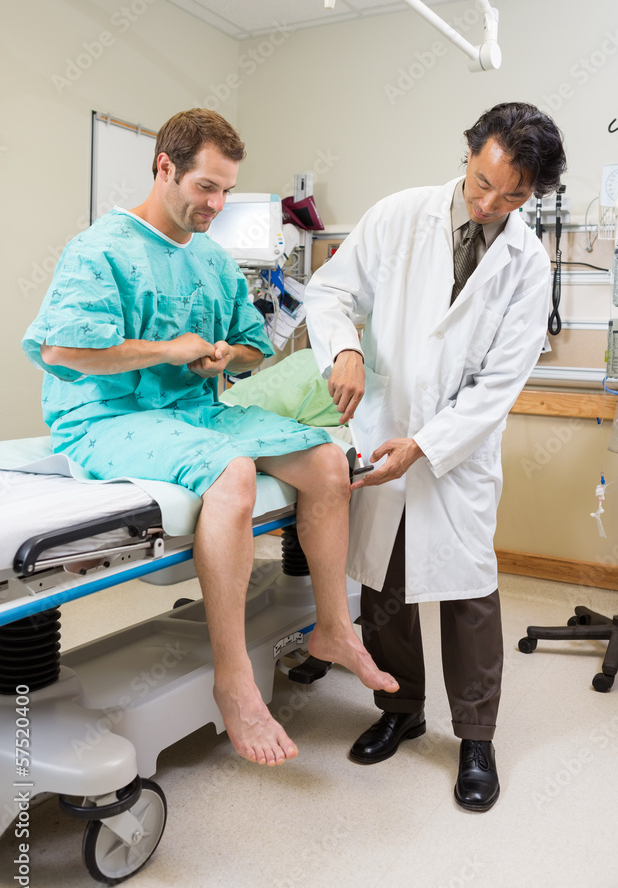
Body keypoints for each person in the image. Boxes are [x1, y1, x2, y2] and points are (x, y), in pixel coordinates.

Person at [22, 109, 398, 769]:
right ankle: (234, 681)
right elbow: (64, 349)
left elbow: (254, 347)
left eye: (226, 190)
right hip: (104, 417)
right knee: (234, 472)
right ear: (164, 167)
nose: (217, 205)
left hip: (193, 411)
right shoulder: (101, 249)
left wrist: (224, 359)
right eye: (205, 187)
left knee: (324, 460)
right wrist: (170, 350)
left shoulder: (211, 260)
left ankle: (334, 630)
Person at [305, 102, 566, 811]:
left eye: (511, 196)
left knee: (467, 592)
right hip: (382, 423)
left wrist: (426, 445)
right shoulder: (399, 215)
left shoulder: (527, 262)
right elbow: (329, 291)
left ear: (533, 193)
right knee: (384, 585)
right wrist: (345, 347)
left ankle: (475, 738)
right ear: (469, 153)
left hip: (457, 452)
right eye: (482, 182)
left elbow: (500, 384)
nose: (488, 204)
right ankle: (400, 709)